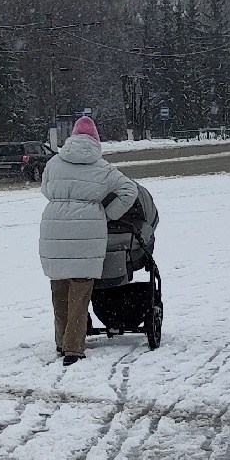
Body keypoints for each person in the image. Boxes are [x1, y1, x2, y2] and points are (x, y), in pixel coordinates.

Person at [39, 116, 138, 365]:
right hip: (87, 232)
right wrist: (108, 213)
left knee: (58, 291)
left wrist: (62, 201)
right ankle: (73, 348)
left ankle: (62, 342)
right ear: (95, 140)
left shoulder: (54, 163)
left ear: (71, 137)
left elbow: (45, 189)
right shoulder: (102, 167)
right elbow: (129, 190)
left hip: (55, 230)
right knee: (80, 293)